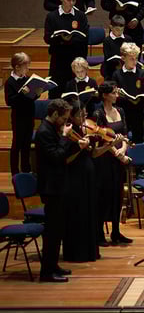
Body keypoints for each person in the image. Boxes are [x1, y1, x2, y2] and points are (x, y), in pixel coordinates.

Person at [35, 99, 87, 282]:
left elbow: (62, 152)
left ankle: (53, 265)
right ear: (55, 114)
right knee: (52, 232)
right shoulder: (43, 132)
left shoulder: (52, 129)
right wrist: (65, 138)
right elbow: (56, 156)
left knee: (58, 231)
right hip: (51, 187)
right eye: (63, 118)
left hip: (59, 184)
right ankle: (46, 272)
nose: (66, 122)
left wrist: (76, 145)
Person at [91, 81, 133, 245]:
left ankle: (116, 232)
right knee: (104, 197)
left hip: (118, 160)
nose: (117, 95)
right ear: (105, 95)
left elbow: (124, 134)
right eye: (114, 92)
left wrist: (122, 150)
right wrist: (117, 154)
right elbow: (101, 138)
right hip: (105, 160)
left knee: (117, 196)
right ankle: (99, 234)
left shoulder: (120, 110)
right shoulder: (98, 113)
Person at [61, 100, 99, 262]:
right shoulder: (68, 133)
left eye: (85, 114)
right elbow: (66, 159)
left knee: (89, 214)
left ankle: (91, 251)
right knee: (78, 215)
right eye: (80, 115)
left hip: (88, 178)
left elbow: (92, 154)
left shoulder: (83, 131)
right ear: (72, 116)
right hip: (75, 179)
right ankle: (77, 253)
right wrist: (79, 147)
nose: (84, 118)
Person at [44, 0, 90, 95]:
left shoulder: (80, 16)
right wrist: (62, 39)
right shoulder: (52, 16)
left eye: (74, 0)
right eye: (68, 0)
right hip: (59, 59)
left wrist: (69, 40)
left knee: (75, 91)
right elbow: (47, 38)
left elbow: (85, 36)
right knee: (57, 90)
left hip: (76, 58)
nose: (71, 3)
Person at [5, 53, 38, 174]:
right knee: (17, 145)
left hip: (29, 115)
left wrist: (37, 92)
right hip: (18, 118)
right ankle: (15, 172)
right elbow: (10, 101)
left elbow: (31, 97)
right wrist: (21, 94)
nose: (28, 68)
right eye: (26, 65)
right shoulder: (10, 82)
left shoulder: (27, 79)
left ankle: (26, 169)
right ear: (17, 67)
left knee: (26, 145)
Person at [111, 43, 144, 143]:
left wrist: (139, 98)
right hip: (123, 111)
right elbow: (114, 95)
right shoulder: (117, 74)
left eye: (136, 58)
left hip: (138, 111)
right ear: (123, 58)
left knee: (139, 136)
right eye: (132, 59)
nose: (135, 61)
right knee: (124, 137)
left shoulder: (141, 73)